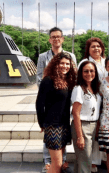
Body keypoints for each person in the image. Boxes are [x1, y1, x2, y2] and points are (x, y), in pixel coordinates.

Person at [36, 27, 77, 172]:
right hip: (53, 123)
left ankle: (56, 165)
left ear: (62, 38)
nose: (56, 39)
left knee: (59, 161)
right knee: (56, 163)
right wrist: (42, 123)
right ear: (49, 39)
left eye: (58, 36)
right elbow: (39, 102)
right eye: (53, 36)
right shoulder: (47, 78)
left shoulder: (70, 59)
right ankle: (49, 164)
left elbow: (74, 76)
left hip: (64, 122)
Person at [77, 37, 106, 172]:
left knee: (99, 130)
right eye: (93, 46)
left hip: (104, 100)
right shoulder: (85, 62)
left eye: (98, 46)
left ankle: (102, 158)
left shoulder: (106, 62)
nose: (96, 48)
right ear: (88, 49)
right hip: (90, 100)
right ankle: (92, 162)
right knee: (92, 134)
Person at [71, 61, 102, 173]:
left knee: (82, 160)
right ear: (81, 73)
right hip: (83, 126)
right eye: (86, 71)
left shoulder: (95, 89)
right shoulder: (79, 89)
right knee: (86, 161)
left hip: (93, 126)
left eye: (91, 71)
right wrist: (80, 136)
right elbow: (75, 113)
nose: (89, 73)